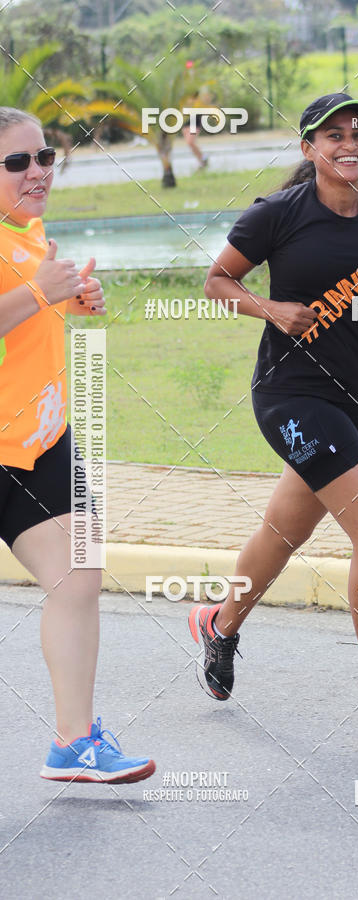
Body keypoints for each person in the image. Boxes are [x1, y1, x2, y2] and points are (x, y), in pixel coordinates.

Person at [190, 93, 358, 736]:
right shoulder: (277, 213)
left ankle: (219, 625)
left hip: (355, 400)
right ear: (309, 149)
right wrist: (271, 309)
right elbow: (218, 282)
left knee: (283, 534)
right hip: (289, 394)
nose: (348, 144)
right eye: (332, 136)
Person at [0, 107, 155, 782]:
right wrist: (39, 292)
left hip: (40, 441)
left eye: (44, 157)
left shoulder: (28, 230)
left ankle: (75, 742)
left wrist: (70, 297)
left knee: (81, 576)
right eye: (16, 163)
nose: (37, 172)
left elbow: (30, 314)